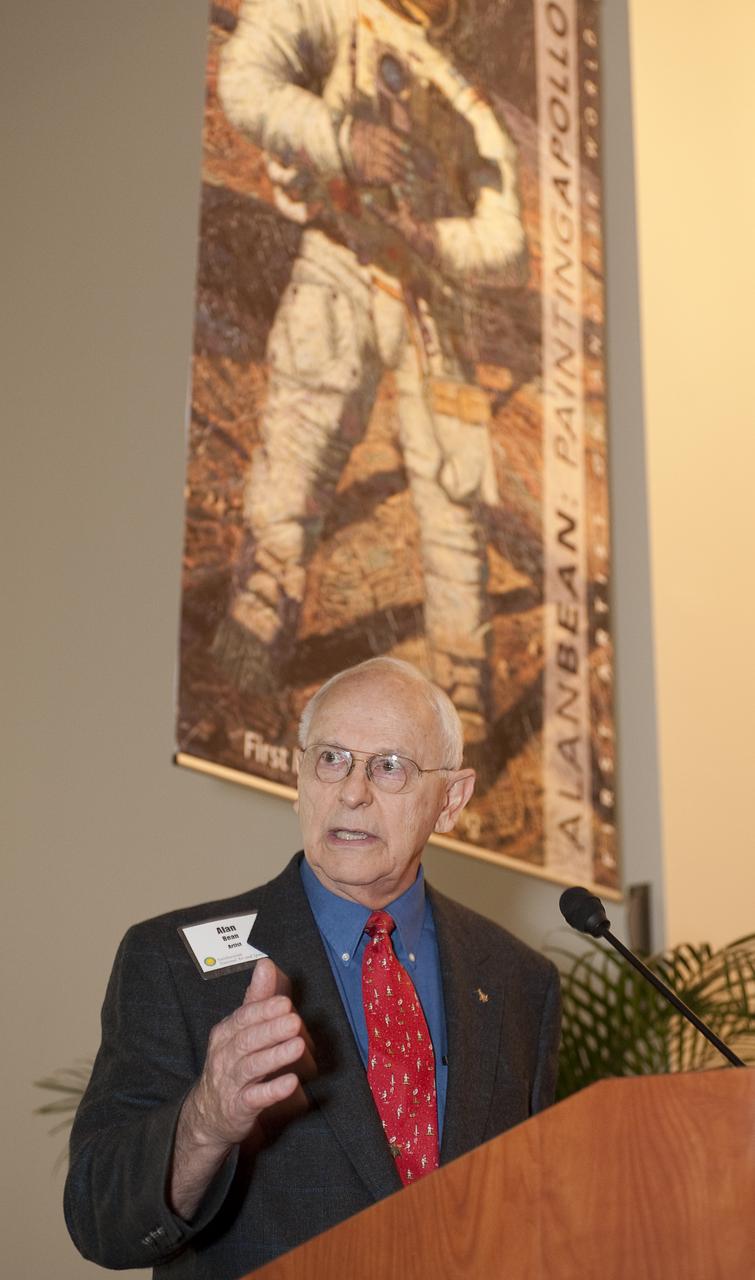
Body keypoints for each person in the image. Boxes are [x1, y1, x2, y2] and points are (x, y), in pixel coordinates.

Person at [65, 658, 560, 1276]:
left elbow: (534, 1214)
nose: (352, 792)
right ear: (299, 777)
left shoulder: (519, 982)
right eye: (331, 759)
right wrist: (206, 1122)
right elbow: (99, 1220)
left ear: (451, 800)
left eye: (389, 766)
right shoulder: (172, 962)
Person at [213, 0, 529, 741]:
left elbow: (509, 245)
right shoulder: (327, 12)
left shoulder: (464, 99)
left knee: (453, 496)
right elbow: (245, 82)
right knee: (301, 444)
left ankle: (461, 684)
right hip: (343, 257)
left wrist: (434, 239)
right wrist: (341, 138)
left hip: (431, 305)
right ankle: (259, 615)